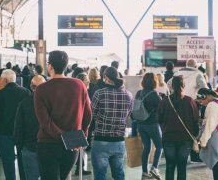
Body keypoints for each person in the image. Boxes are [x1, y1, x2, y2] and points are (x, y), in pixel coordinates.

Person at [34, 50, 92, 180]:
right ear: (66, 66)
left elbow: (45, 122)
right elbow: (88, 115)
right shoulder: (79, 85)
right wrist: (80, 137)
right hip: (72, 146)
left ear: (50, 66)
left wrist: (63, 137)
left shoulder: (41, 89)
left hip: (48, 144)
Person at [91, 67, 133, 180]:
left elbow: (92, 116)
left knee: (100, 176)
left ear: (106, 78)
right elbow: (128, 116)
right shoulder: (128, 95)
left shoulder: (99, 93)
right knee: (119, 174)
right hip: (119, 141)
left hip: (101, 140)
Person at [0, 69, 31, 180]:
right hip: (22, 132)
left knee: (8, 161)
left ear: (5, 80)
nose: (0, 82)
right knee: (22, 159)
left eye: (1, 80)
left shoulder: (0, 94)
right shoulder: (26, 92)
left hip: (4, 133)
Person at [158, 76, 199, 180]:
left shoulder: (164, 101)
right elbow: (195, 120)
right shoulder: (190, 101)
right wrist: (194, 134)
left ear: (171, 86)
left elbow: (159, 119)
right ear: (184, 86)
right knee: (182, 167)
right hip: (185, 139)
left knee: (170, 166)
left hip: (169, 138)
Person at [14, 75, 46, 180]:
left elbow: (19, 127)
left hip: (29, 147)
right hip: (49, 147)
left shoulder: (24, 103)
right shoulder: (52, 103)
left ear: (31, 87)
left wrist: (19, 146)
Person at [196, 88, 218, 180]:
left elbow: (209, 126)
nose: (201, 103)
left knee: (216, 165)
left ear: (205, 96)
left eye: (201, 100)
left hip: (215, 137)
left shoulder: (212, 105)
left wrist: (203, 142)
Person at [135, 73, 163, 180]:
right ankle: (154, 168)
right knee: (160, 146)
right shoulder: (154, 95)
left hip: (141, 124)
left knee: (146, 148)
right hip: (152, 124)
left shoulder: (139, 93)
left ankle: (144, 173)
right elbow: (161, 109)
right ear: (154, 82)